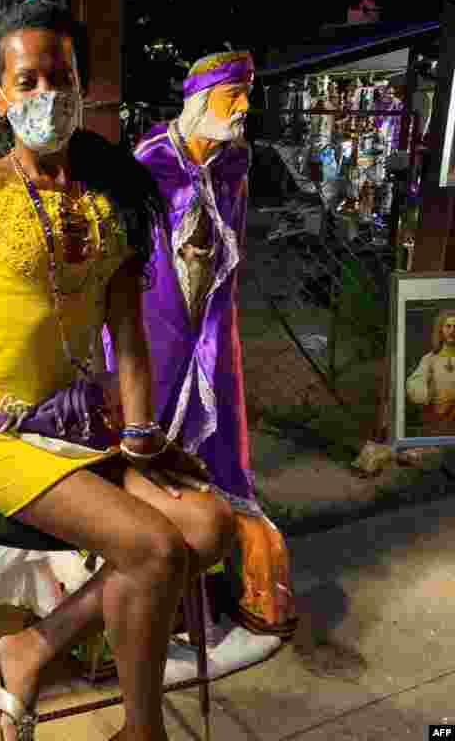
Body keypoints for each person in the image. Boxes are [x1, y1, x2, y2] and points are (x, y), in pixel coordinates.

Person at [0, 0, 234, 741]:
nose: (45, 95)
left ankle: (31, 646)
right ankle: (142, 734)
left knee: (209, 528)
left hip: (77, 422)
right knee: (154, 549)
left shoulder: (116, 195)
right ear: (1, 98)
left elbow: (129, 334)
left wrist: (146, 437)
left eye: (59, 78)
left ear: (82, 87)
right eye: (27, 82)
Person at [106, 52, 297, 640]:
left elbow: (229, 247)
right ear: (199, 99)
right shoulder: (147, 161)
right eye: (231, 95)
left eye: (246, 95)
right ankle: (153, 589)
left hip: (208, 322)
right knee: (150, 441)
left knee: (214, 444)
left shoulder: (234, 165)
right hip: (152, 326)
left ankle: (221, 583)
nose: (243, 108)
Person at [406, 309, 455, 435]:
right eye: (448, 326)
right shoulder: (430, 359)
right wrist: (426, 394)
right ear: (441, 329)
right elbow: (414, 383)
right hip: (438, 423)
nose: (452, 331)